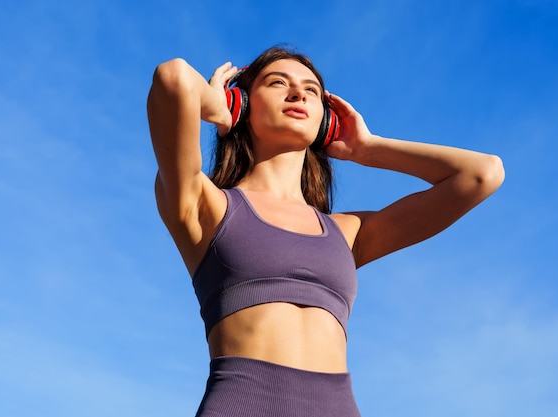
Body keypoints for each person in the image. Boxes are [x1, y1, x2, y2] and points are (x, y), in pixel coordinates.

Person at [146, 46, 504, 417]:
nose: (298, 93)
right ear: (244, 104)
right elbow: (173, 79)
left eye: (311, 90)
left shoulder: (346, 232)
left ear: (325, 120)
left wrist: (369, 148)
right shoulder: (207, 206)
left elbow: (481, 175)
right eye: (277, 82)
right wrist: (220, 107)